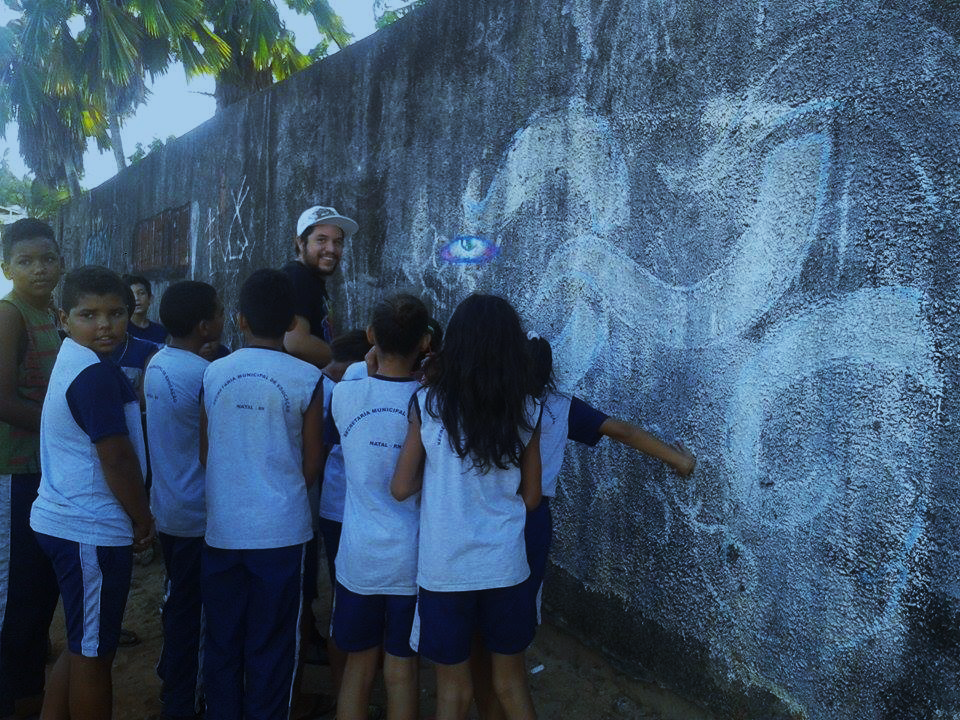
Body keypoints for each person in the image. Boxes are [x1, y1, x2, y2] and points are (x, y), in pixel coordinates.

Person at [472, 334, 697, 720]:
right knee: (511, 637)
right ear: (547, 374)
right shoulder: (558, 406)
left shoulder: (487, 401)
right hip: (533, 520)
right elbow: (622, 431)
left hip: (488, 517)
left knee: (480, 632)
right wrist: (678, 460)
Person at [391, 294, 542, 720]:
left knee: (452, 694)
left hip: (445, 569)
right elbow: (531, 498)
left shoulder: (428, 404)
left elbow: (401, 486)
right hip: (506, 566)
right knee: (511, 686)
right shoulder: (527, 407)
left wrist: (440, 477)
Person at [30, 266, 155, 720]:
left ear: (130, 313)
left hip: (65, 520)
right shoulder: (96, 375)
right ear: (63, 317)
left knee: (84, 641)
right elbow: (117, 459)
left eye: (115, 313)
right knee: (94, 656)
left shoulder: (74, 358)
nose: (104, 325)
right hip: (89, 528)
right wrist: (142, 518)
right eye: (89, 314)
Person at [200, 268, 324, 720]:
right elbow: (313, 461)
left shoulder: (214, 373)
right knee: (274, 643)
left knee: (223, 636)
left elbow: (204, 450)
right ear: (294, 322)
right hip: (282, 533)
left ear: (239, 320)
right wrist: (280, 491)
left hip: (224, 529)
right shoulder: (306, 378)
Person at [328, 295, 431, 720]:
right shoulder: (434, 404)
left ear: (370, 335)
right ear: (426, 342)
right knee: (402, 670)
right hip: (412, 560)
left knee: (358, 666)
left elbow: (352, 374)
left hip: (359, 559)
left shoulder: (343, 395)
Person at [144, 281, 224, 720]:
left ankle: (170, 677)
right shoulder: (205, 375)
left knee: (177, 598)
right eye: (219, 311)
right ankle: (182, 700)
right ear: (205, 325)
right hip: (197, 513)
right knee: (195, 611)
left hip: (169, 505)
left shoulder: (158, 362)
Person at [0, 218, 62, 719]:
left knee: (39, 593)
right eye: (25, 261)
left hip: (45, 472)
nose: (38, 269)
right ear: (7, 267)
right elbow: (0, 399)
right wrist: (64, 428)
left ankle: (29, 696)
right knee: (17, 599)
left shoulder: (53, 313)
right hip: (14, 473)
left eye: (47, 258)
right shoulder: (9, 314)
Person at [314, 329, 372, 700]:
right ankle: (348, 687)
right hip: (352, 509)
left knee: (344, 597)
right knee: (351, 600)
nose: (328, 372)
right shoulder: (353, 384)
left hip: (336, 508)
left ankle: (346, 689)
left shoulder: (333, 387)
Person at [281, 206, 358, 368]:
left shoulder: (310, 280)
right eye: (321, 240)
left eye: (337, 242)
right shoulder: (296, 277)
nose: (331, 249)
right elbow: (296, 343)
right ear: (300, 243)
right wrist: (345, 364)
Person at [123, 274, 168, 344]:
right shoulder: (123, 330)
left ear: (150, 298)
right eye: (132, 294)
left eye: (141, 293)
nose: (136, 298)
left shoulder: (160, 331)